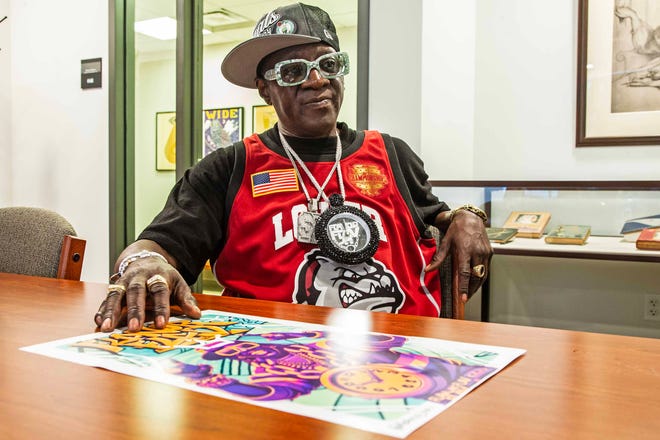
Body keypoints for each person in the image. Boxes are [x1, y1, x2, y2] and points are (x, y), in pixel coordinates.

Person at [95, 2, 492, 333]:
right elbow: (154, 247)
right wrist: (140, 263)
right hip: (269, 360)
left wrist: (468, 216)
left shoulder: (392, 154)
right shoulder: (227, 168)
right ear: (265, 89)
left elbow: (438, 219)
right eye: (292, 71)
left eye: (328, 64)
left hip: (404, 354)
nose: (316, 80)